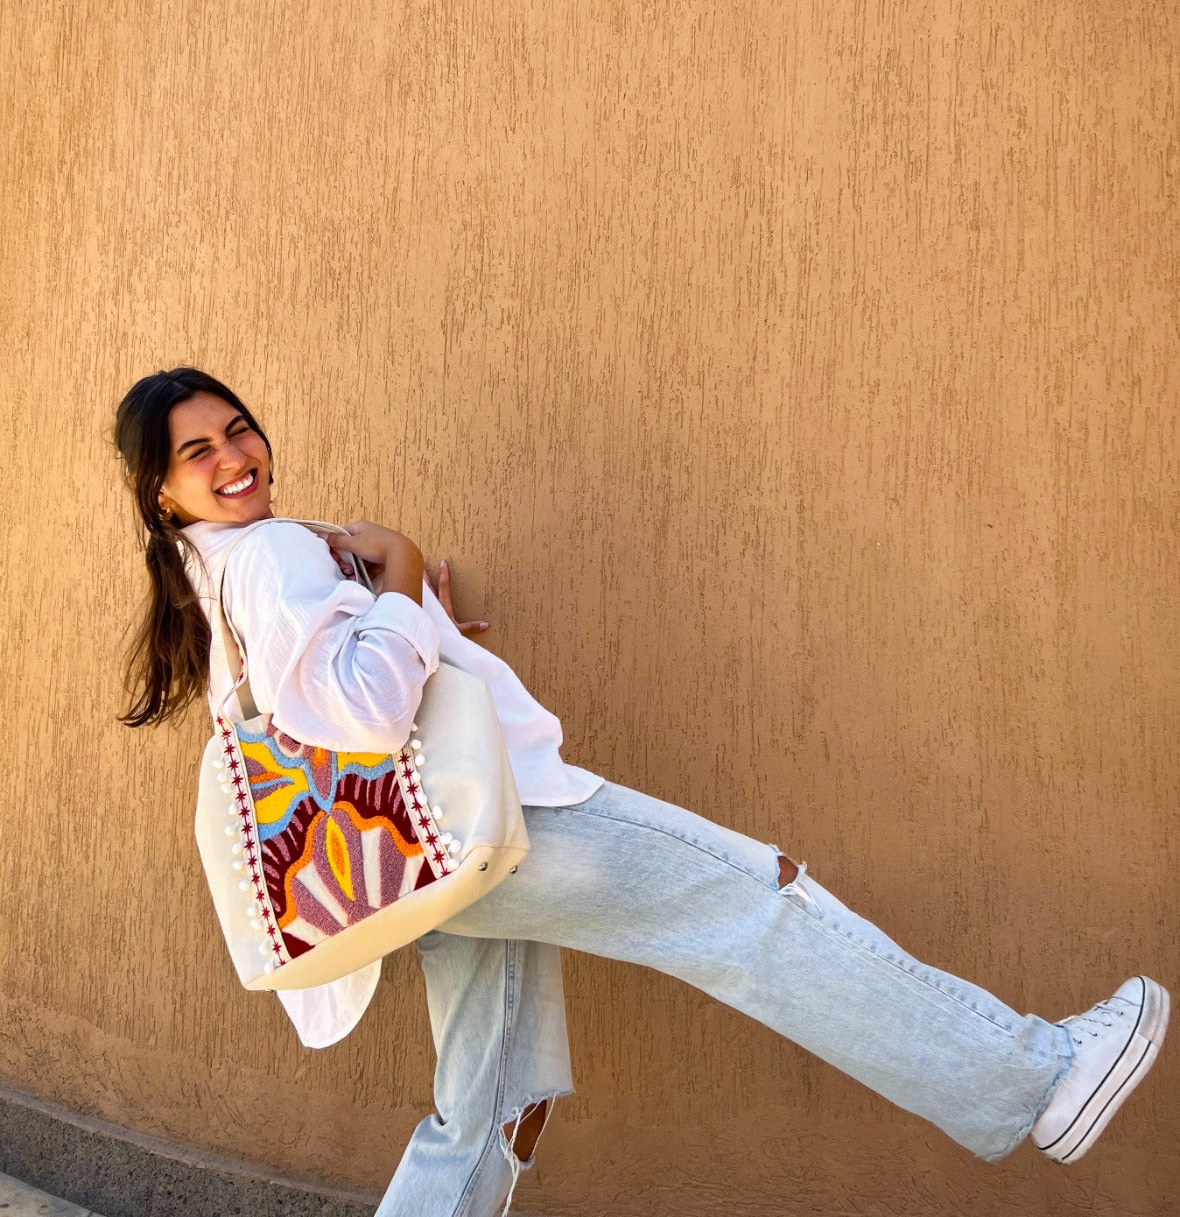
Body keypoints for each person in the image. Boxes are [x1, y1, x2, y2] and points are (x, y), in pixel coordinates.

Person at [113, 366, 1169, 1217]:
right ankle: (1035, 1079)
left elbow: (333, 691)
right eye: (196, 452)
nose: (232, 457)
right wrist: (399, 575)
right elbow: (364, 712)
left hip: (426, 863)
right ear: (162, 491)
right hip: (510, 822)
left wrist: (419, 620)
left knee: (485, 1109)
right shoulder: (271, 555)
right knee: (751, 905)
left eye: (237, 429)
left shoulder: (225, 572)